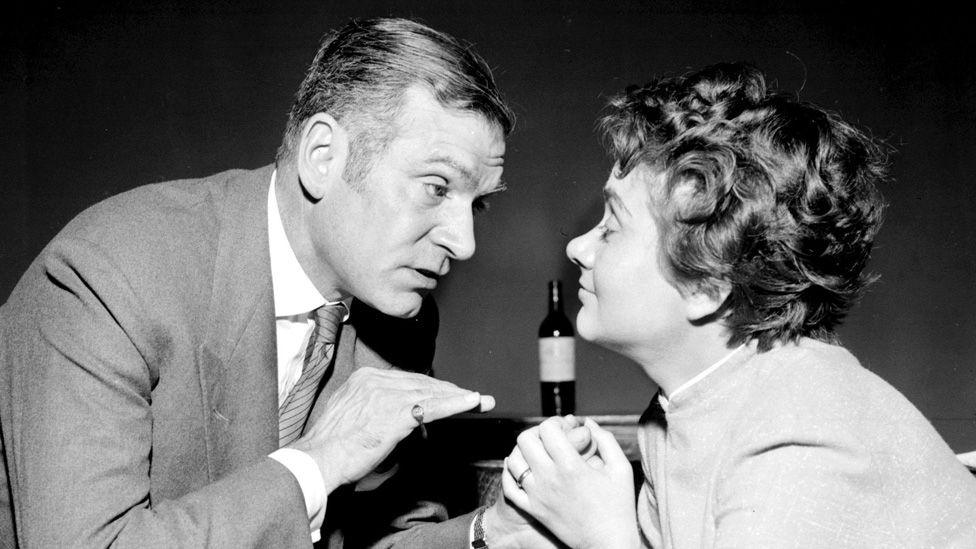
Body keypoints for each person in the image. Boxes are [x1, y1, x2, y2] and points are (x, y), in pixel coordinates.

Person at [0, 16, 561, 548]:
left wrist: (492, 532)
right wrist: (318, 462)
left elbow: (379, 535)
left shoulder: (401, 316)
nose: (464, 243)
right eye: (437, 187)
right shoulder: (109, 274)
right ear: (322, 156)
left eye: (479, 203)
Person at [500, 63, 976, 547]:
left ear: (707, 285)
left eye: (613, 226)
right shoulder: (682, 408)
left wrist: (601, 536)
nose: (578, 248)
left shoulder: (799, 435)